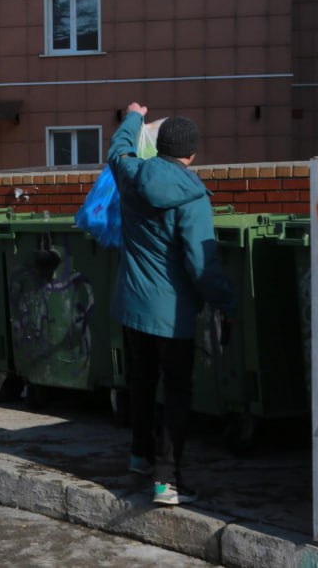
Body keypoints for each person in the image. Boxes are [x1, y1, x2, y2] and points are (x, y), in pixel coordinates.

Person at [107, 103, 234, 507]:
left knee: (141, 383)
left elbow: (117, 149)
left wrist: (132, 116)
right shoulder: (192, 197)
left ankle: (140, 457)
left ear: (158, 147)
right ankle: (167, 481)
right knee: (176, 393)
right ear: (191, 155)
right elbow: (201, 263)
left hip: (131, 305)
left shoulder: (130, 173)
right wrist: (225, 301)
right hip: (172, 314)